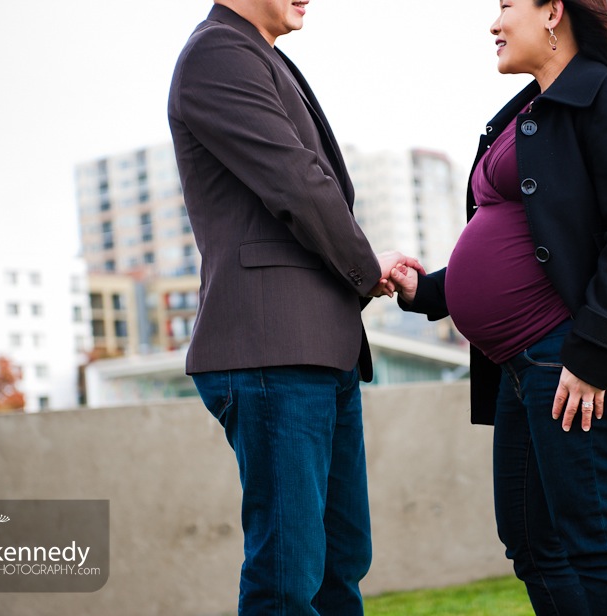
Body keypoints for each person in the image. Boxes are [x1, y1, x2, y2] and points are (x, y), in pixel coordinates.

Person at [389, 0, 607, 613]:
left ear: (553, 13)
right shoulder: (526, 112)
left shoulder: (606, 96)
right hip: (520, 371)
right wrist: (425, 292)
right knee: (531, 543)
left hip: (569, 359)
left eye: (506, 5)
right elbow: (527, 234)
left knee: (596, 541)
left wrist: (591, 355)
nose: (493, 24)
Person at [167, 1, 422, 614]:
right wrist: (366, 268)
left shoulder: (260, 55)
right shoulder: (218, 53)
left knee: (339, 565)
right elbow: (297, 183)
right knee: (287, 579)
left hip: (314, 350)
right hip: (271, 351)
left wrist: (361, 269)